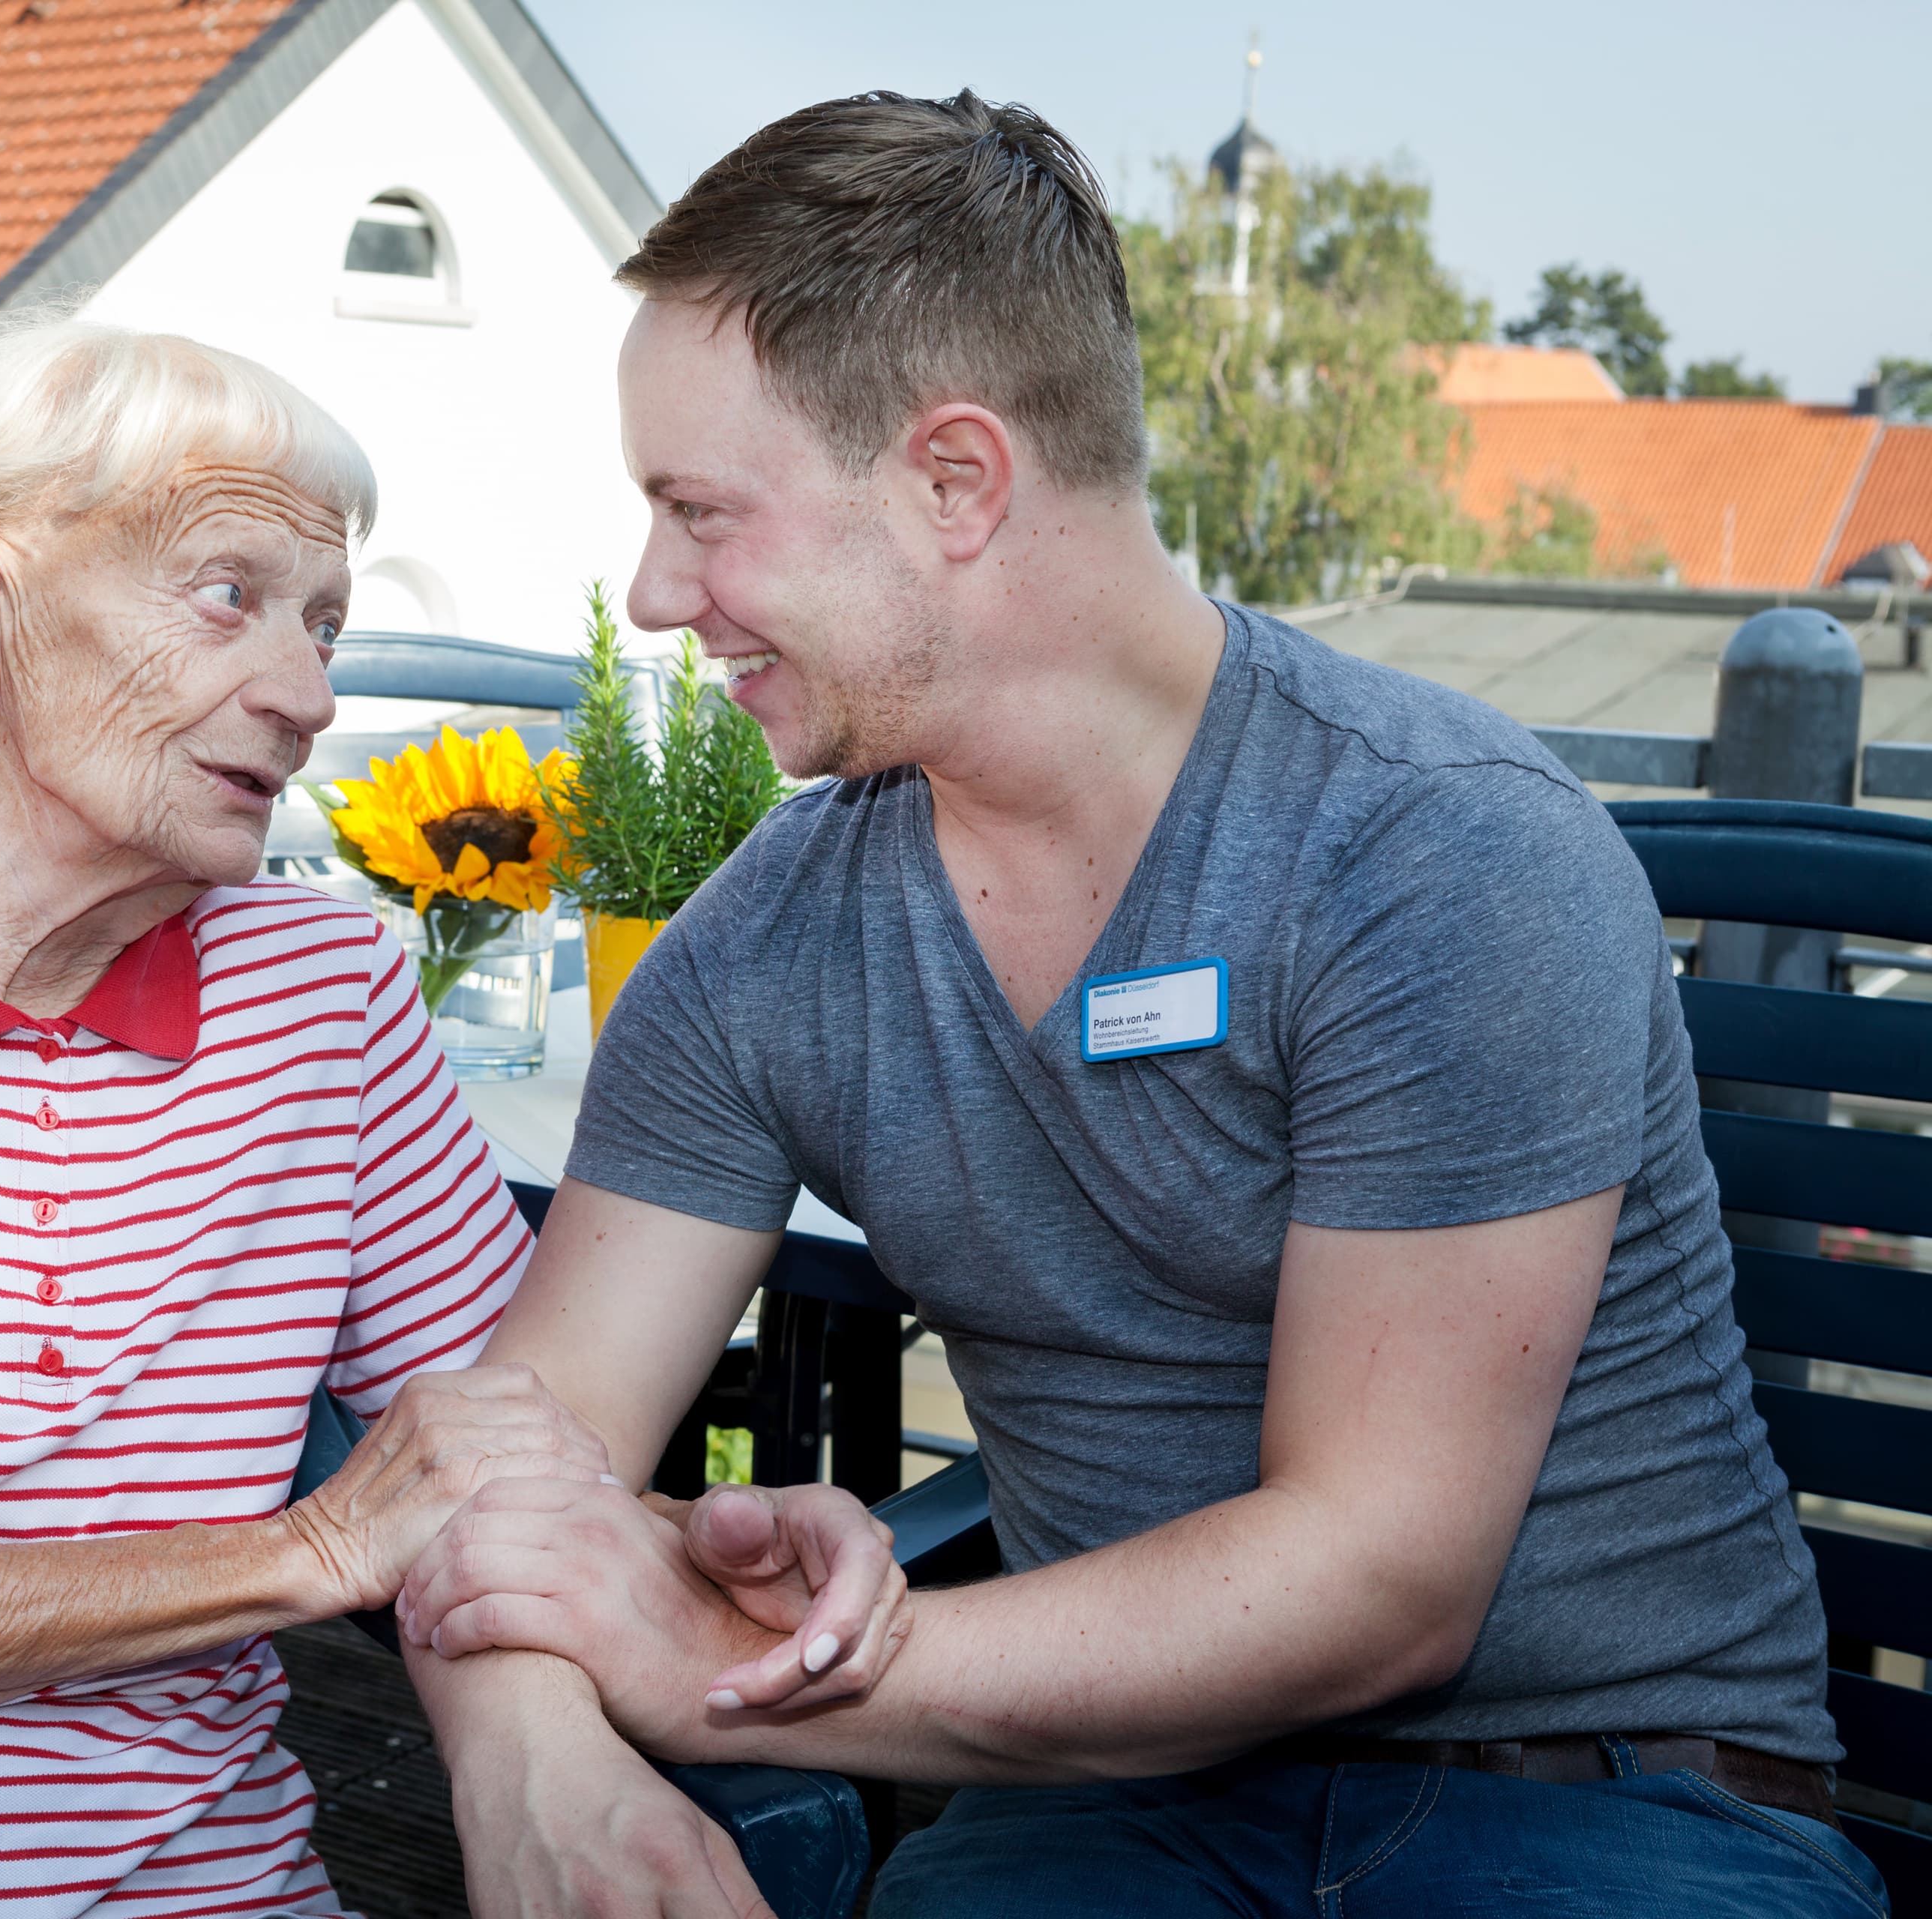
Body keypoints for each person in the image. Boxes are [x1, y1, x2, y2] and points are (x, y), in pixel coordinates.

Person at [393, 92, 1887, 1919]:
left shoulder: (1435, 856)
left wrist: (772, 1675)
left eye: (703, 514)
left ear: (957, 481)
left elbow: (1382, 1586)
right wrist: (530, 1759)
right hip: (1122, 1810)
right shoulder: (766, 946)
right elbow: (505, 1467)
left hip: (1612, 1800)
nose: (654, 592)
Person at [0, 316, 882, 1919]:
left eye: (324, 623)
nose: (309, 693)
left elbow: (495, 1477)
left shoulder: (324, 986)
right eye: (227, 595)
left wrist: (738, 1577)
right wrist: (312, 1550)